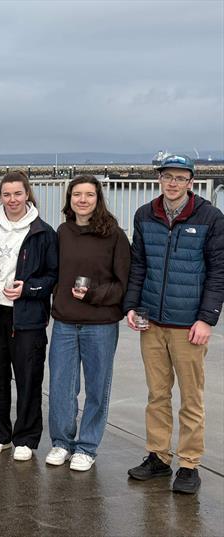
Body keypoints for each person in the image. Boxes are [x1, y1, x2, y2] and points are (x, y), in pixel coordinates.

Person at [124, 154, 224, 494]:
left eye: (181, 178)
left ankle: (189, 464)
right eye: (168, 177)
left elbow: (218, 272)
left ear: (191, 182)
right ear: (159, 179)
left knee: (191, 398)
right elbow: (138, 265)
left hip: (189, 325)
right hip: (151, 321)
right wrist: (133, 306)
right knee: (157, 394)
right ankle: (159, 456)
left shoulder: (210, 217)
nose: (173, 183)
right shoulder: (144, 215)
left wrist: (207, 318)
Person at [46, 176, 130, 471]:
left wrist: (94, 294)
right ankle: (61, 442)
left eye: (89, 195)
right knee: (60, 386)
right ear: (69, 199)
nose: (83, 200)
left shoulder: (115, 235)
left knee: (96, 388)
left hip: (101, 323)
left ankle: (87, 447)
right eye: (77, 195)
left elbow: (123, 284)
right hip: (65, 322)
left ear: (98, 199)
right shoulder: (62, 232)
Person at [0, 170, 58, 461]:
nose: (12, 200)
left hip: (28, 317)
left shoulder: (44, 232)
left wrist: (30, 289)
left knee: (28, 378)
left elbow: (52, 276)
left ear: (27, 195)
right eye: (6, 194)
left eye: (17, 194)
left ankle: (26, 437)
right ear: (0, 196)